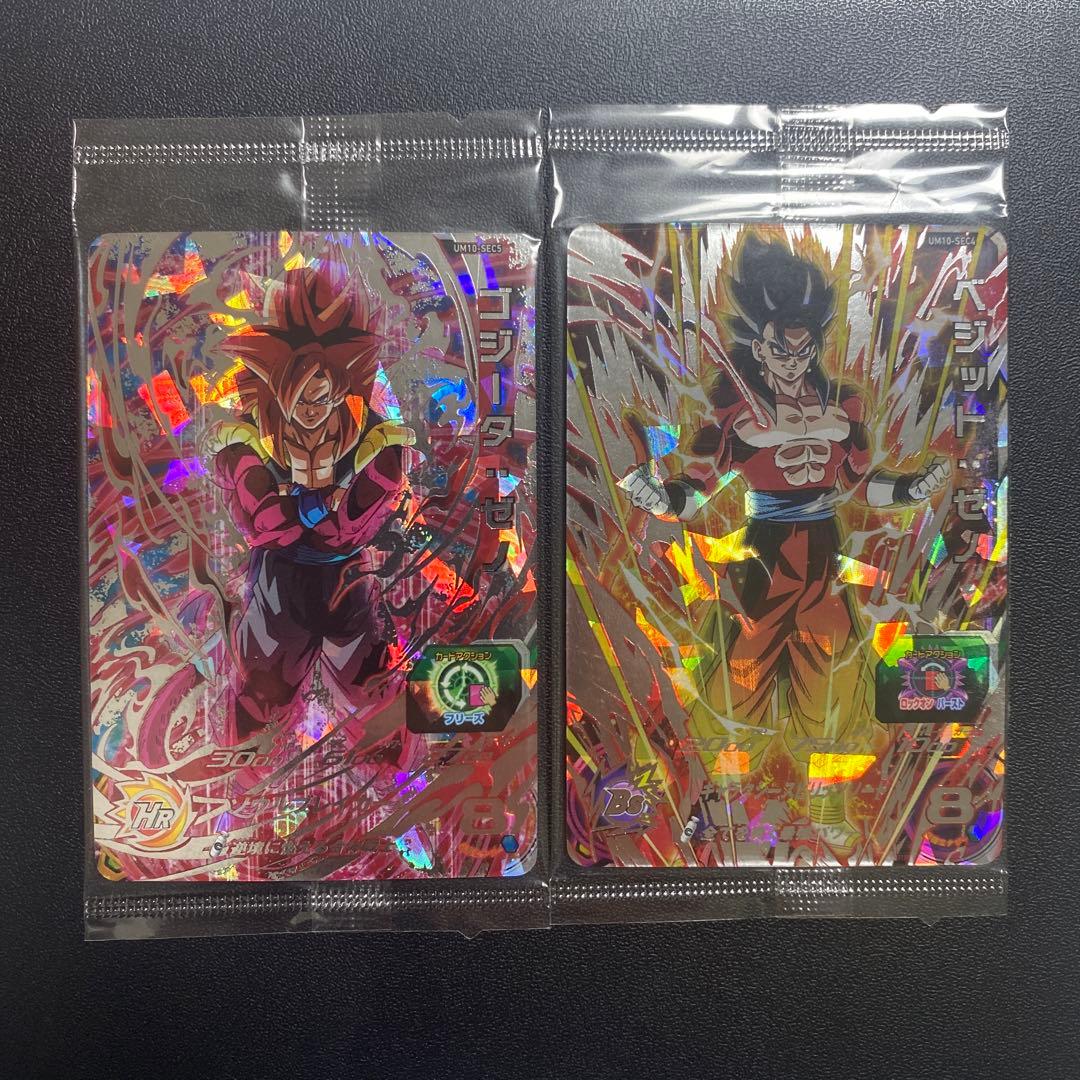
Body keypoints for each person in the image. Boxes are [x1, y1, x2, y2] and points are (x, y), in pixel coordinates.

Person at [624, 235, 949, 849]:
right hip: (763, 550)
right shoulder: (732, 407)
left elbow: (859, 483)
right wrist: (657, 498)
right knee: (739, 672)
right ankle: (723, 802)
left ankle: (826, 804)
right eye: (781, 348)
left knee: (832, 671)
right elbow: (698, 489)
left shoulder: (843, 403)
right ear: (760, 344)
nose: (794, 360)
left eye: (805, 348)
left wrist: (911, 488)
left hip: (821, 546)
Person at [208, 265, 415, 740]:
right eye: (300, 396)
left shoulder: (376, 440)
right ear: (279, 385)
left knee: (375, 693)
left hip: (348, 579)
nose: (311, 408)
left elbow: (348, 526)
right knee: (262, 696)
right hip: (280, 582)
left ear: (342, 387)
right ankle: (244, 770)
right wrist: (313, 506)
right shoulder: (247, 439)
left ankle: (401, 767)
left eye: (322, 396)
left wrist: (315, 508)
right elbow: (269, 524)